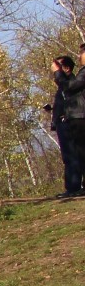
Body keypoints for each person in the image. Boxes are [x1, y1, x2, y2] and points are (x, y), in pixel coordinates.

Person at [53, 55, 85, 198]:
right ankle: (72, 187)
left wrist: (58, 74)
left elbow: (71, 95)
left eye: (58, 68)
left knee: (74, 155)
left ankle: (74, 187)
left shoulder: (72, 82)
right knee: (70, 156)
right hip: (65, 122)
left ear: (66, 68)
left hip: (72, 122)